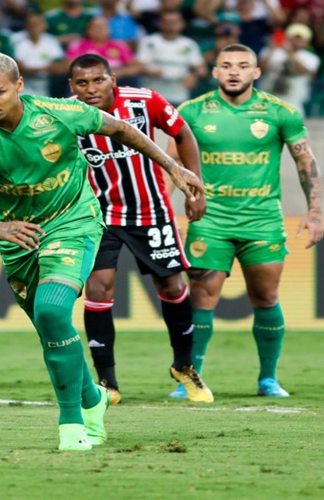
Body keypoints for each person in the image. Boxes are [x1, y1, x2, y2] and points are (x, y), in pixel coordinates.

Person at [0, 52, 205, 451]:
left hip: (73, 221)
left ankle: (71, 422)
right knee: (50, 330)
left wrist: (172, 167)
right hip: (17, 237)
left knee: (53, 310)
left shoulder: (58, 112)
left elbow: (122, 129)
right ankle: (93, 398)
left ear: (19, 86)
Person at [168, 44, 324, 399]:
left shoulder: (280, 112)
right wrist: (164, 211)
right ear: (215, 72)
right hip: (210, 219)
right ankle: (193, 379)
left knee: (266, 295)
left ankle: (268, 378)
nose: (234, 71)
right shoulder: (190, 112)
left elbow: (305, 162)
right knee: (202, 296)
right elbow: (170, 165)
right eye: (226, 65)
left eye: (242, 66)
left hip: (262, 220)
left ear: (256, 72)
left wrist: (314, 213)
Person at [67, 53, 212, 405]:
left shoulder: (144, 102)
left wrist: (195, 187)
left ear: (112, 78)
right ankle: (107, 382)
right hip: (98, 216)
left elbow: (183, 133)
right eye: (82, 83)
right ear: (71, 86)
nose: (90, 89)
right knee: (98, 289)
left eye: (98, 80)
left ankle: (184, 366)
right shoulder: (64, 113)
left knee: (171, 285)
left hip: (151, 212)